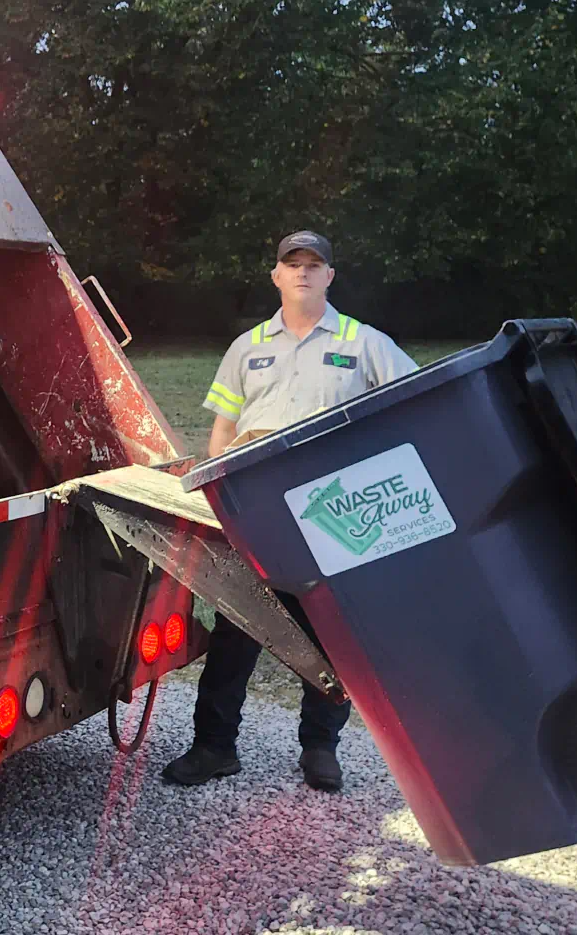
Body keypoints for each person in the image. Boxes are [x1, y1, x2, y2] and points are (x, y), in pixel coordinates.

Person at [162, 230, 418, 792]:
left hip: (333, 512)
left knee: (331, 632)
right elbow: (224, 429)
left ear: (330, 276)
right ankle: (213, 747)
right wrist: (222, 492)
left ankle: (320, 749)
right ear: (276, 275)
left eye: (313, 264)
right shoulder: (247, 347)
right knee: (238, 628)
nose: (302, 272)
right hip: (257, 514)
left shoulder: (365, 342)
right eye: (291, 264)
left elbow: (409, 405)